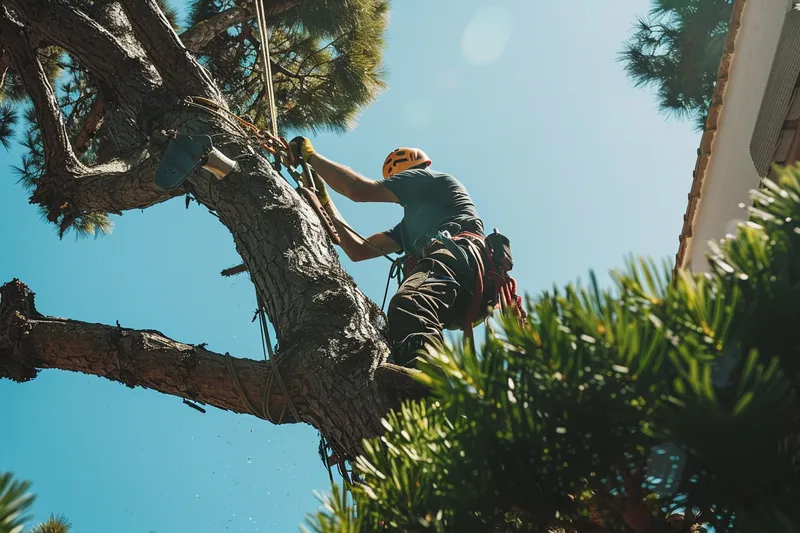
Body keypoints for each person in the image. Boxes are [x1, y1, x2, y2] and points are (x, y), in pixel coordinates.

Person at [287, 136, 497, 367]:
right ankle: (413, 374)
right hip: (463, 291)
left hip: (459, 255)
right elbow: (358, 250)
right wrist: (325, 204)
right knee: (400, 328)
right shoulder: (409, 228)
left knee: (410, 303)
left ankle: (425, 376)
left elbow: (357, 190)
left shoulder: (425, 178)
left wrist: (311, 156)